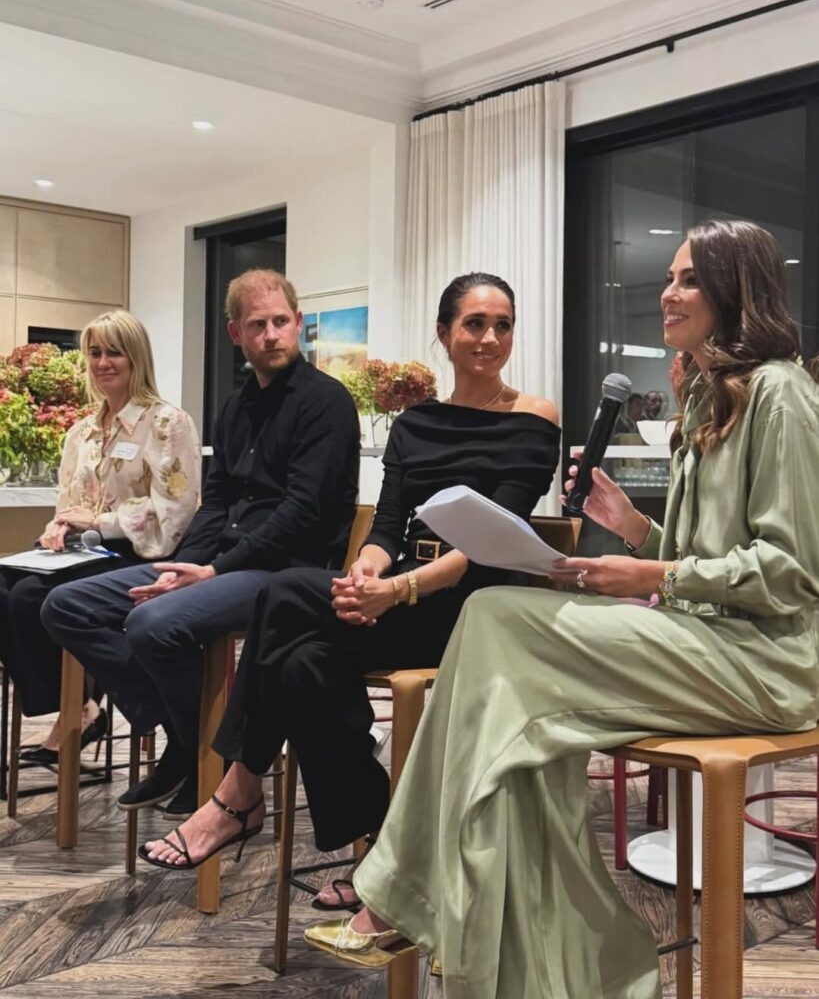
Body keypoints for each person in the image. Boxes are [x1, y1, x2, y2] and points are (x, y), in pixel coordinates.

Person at [300, 220, 819, 998]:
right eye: (669, 277)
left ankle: (403, 891)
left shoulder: (781, 393)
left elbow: (790, 571)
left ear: (734, 290)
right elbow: (700, 552)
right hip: (701, 638)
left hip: (766, 664)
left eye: (687, 279)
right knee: (513, 713)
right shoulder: (711, 400)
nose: (667, 292)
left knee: (497, 626)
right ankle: (566, 972)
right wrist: (632, 528)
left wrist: (649, 571)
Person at [137, 271, 561, 880]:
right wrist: (368, 570)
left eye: (503, 325)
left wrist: (398, 589)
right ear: (445, 333)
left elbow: (491, 541)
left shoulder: (533, 416)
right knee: (300, 664)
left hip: (475, 604)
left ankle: (238, 793)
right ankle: (380, 853)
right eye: (475, 324)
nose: (490, 338)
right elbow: (387, 527)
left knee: (284, 589)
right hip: (403, 594)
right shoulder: (415, 424)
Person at [42, 270, 360, 818]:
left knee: (151, 623)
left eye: (280, 322)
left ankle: (206, 758)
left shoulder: (325, 402)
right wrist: (183, 565)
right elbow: (216, 504)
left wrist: (212, 571)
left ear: (298, 323)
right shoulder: (236, 408)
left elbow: (301, 513)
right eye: (257, 325)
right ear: (236, 333)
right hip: (222, 563)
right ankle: (188, 736)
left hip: (287, 573)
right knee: (65, 605)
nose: (271, 335)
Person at [0, 310, 200, 766]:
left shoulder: (167, 423)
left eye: (114, 352)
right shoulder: (81, 432)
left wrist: (99, 522)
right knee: (3, 587)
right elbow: (68, 503)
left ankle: (96, 708)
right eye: (94, 353)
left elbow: (175, 511)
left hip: (138, 551)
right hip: (81, 552)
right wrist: (57, 527)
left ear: (136, 358)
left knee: (30, 597)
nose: (103, 362)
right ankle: (75, 704)